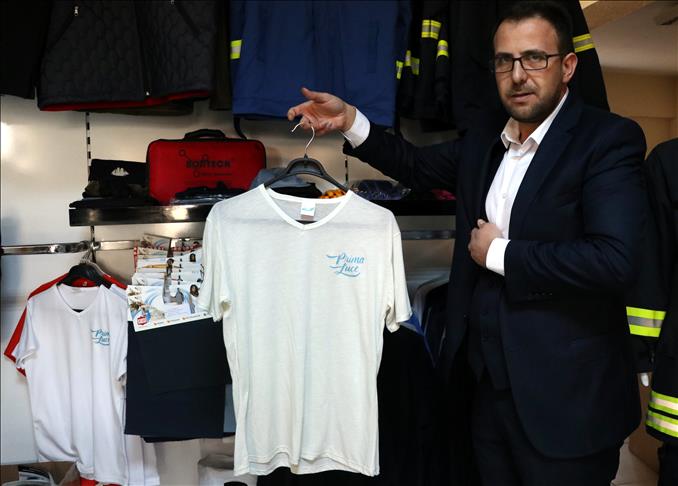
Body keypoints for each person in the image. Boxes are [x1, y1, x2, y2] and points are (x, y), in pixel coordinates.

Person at [287, 2, 647, 485]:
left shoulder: (608, 140)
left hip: (567, 402)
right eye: (504, 61)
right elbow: (415, 166)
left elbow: (615, 260)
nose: (518, 75)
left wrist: (498, 253)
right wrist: (350, 119)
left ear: (567, 66)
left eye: (534, 58)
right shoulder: (484, 140)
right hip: (483, 395)